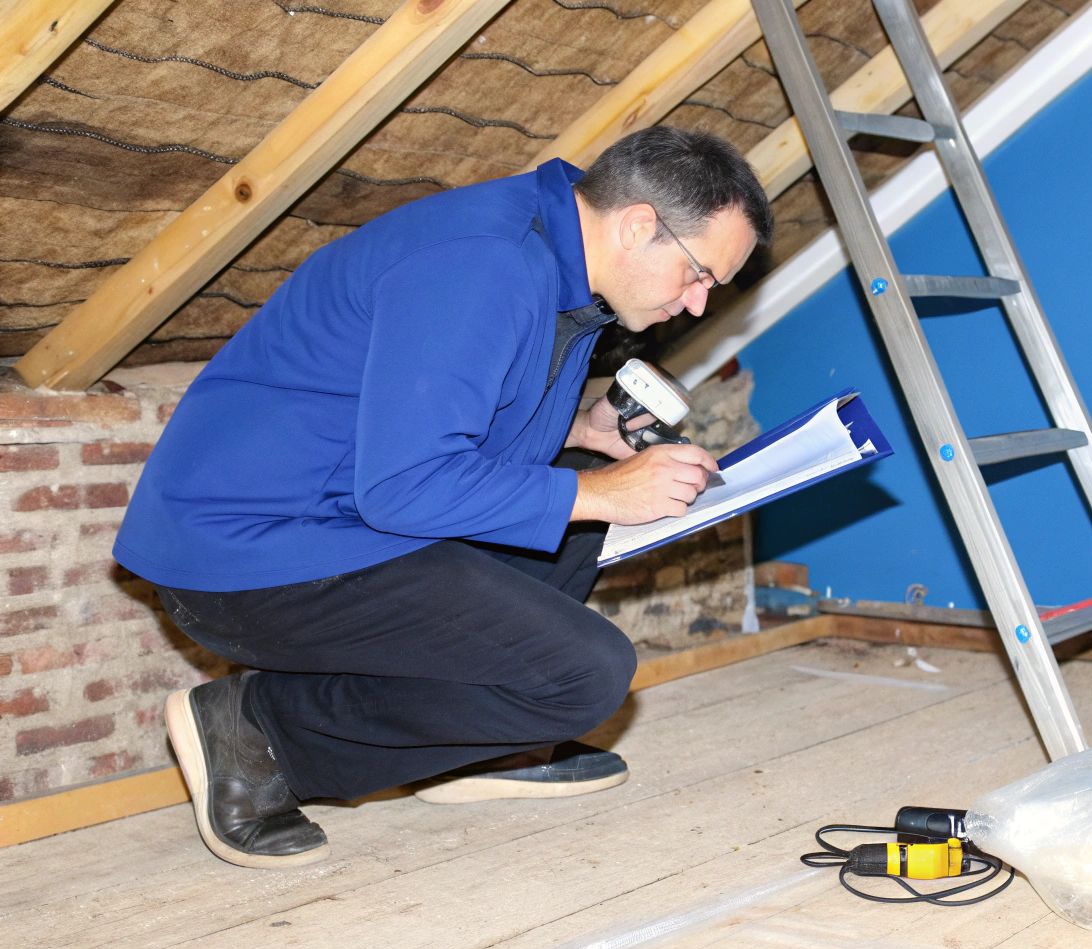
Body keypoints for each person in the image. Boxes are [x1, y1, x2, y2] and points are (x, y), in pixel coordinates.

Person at [113, 126, 772, 868]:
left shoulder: (569, 274)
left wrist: (582, 437)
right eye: (699, 275)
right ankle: (258, 731)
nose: (694, 304)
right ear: (639, 225)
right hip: (249, 554)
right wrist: (596, 489)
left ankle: (478, 754)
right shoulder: (481, 265)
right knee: (585, 674)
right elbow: (407, 486)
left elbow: (446, 444)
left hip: (345, 521)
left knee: (575, 533)